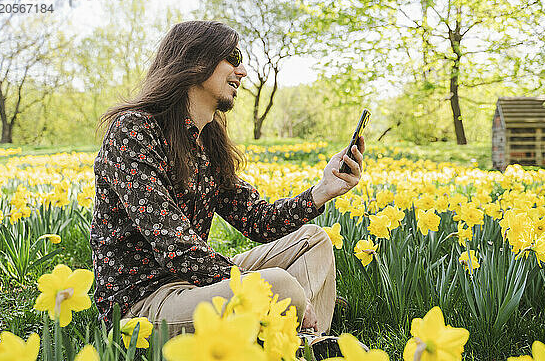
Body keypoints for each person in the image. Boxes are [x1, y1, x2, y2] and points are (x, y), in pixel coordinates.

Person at [90, 20, 365, 338]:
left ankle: (302, 342)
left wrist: (322, 190)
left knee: (313, 241)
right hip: (144, 304)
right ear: (195, 61)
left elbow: (258, 221)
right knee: (277, 286)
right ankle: (301, 339)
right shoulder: (135, 130)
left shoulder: (207, 141)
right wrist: (273, 289)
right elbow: (175, 247)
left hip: (195, 284)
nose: (243, 71)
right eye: (233, 57)